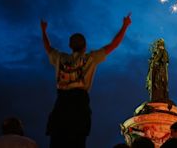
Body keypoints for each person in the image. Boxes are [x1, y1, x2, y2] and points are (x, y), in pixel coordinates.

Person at [41, 13, 131, 148]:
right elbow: (113, 44)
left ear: (70, 45)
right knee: (78, 139)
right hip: (79, 103)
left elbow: (48, 48)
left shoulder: (60, 58)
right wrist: (125, 26)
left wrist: (43, 30)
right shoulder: (91, 58)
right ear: (85, 46)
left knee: (57, 139)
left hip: (61, 103)